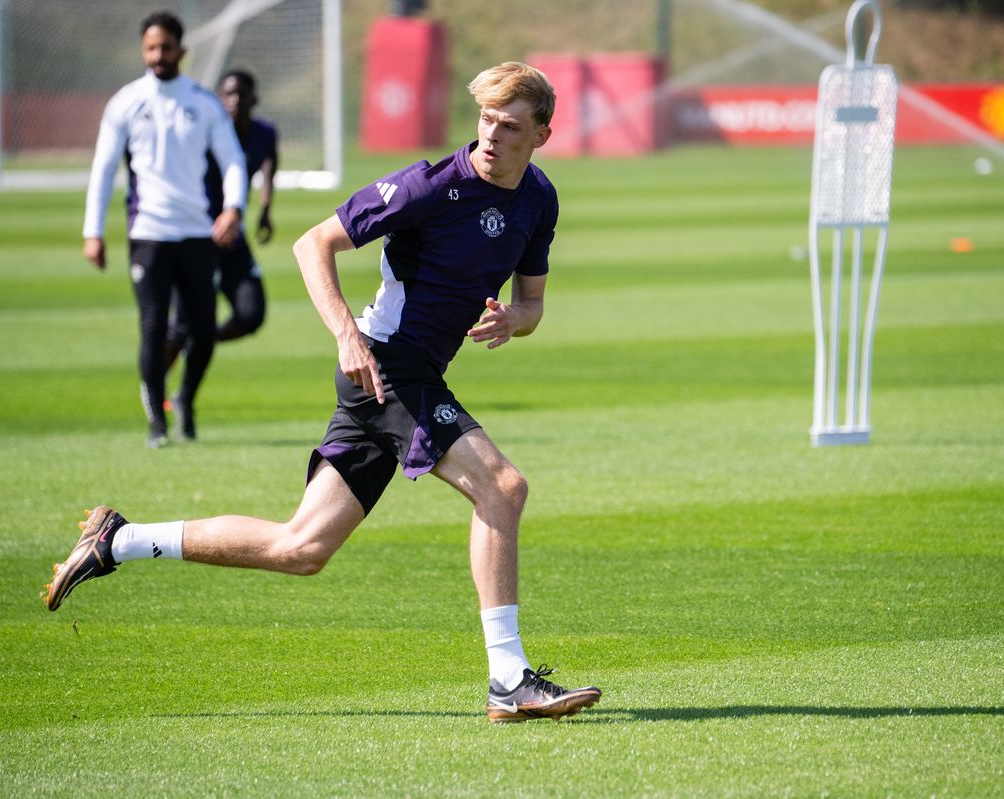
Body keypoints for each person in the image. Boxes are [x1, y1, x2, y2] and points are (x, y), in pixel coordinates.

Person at [48, 62, 601, 723]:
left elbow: (532, 302)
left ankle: (120, 539)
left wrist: (517, 319)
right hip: (386, 365)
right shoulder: (430, 186)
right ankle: (508, 678)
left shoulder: (540, 199)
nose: (490, 135)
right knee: (502, 486)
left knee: (301, 548)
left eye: (509, 126)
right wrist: (346, 334)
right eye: (484, 118)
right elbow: (315, 243)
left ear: (541, 133)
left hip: (402, 374)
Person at [82, 11, 247, 448]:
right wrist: (92, 231)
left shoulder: (202, 101)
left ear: (181, 50)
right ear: (143, 50)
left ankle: (186, 400)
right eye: (151, 48)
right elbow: (103, 169)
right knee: (154, 327)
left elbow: (232, 160)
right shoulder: (126, 102)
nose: (158, 56)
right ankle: (156, 420)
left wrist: (233, 208)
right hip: (149, 234)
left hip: (197, 234)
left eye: (166, 48)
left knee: (203, 330)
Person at [164, 69, 277, 377]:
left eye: (242, 94)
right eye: (228, 94)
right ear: (219, 98)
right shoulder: (207, 135)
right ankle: (154, 392)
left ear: (255, 99)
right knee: (180, 326)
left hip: (233, 240)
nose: (235, 100)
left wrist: (266, 207)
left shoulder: (264, 133)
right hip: (197, 239)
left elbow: (269, 160)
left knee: (250, 315)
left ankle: (201, 342)